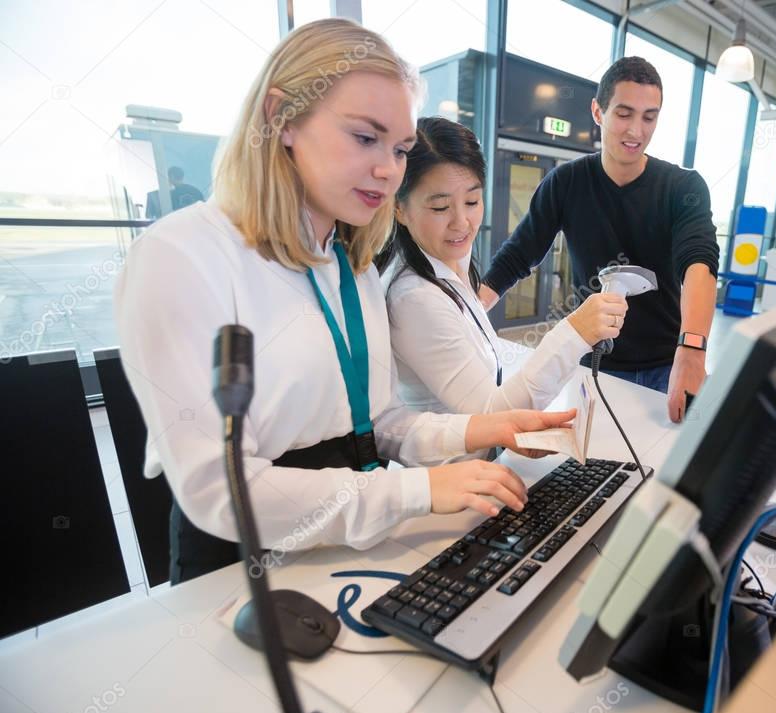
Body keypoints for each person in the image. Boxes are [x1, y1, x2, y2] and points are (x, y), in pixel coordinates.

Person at [114, 19, 572, 585]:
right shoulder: (181, 256)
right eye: (364, 138)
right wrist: (417, 488)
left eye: (400, 148)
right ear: (280, 119)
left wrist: (479, 431)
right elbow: (219, 490)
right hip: (246, 563)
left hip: (352, 541)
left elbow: (377, 425)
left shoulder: (351, 267)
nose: (389, 169)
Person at [478, 56, 720, 423]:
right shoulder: (566, 183)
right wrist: (469, 314)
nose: (636, 131)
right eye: (624, 114)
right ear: (597, 111)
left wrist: (692, 352)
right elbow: (518, 255)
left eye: (649, 117)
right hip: (593, 365)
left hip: (664, 367)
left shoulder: (682, 187)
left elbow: (699, 262)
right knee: (593, 470)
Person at [377, 116, 628, 418]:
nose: (461, 222)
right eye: (440, 207)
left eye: (472, 201)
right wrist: (574, 333)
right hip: (456, 463)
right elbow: (490, 414)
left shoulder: (451, 266)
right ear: (399, 208)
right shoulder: (414, 297)